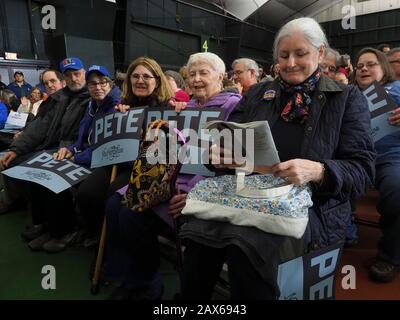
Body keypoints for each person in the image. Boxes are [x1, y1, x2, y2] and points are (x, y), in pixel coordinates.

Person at [176, 17, 375, 300]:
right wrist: (220, 156)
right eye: (284, 56)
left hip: (312, 208)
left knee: (245, 249)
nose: (291, 62)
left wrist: (319, 171)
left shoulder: (347, 99)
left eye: (301, 54)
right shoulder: (257, 94)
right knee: (197, 239)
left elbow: (363, 170)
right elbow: (228, 143)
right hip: (248, 197)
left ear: (320, 53)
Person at [103, 52, 241, 300]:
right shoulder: (183, 107)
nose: (196, 79)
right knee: (117, 203)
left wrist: (195, 193)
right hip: (169, 182)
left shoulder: (234, 107)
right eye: (192, 74)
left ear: (221, 76)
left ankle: (147, 284)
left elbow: (231, 163)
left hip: (204, 189)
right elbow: (166, 150)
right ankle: (138, 279)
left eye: (203, 73)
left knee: (132, 214)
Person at [26, 65, 121, 252]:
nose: (98, 87)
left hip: (100, 161)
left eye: (102, 82)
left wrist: (76, 157)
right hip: (84, 156)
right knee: (39, 171)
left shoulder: (116, 107)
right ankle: (50, 226)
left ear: (110, 84)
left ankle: (66, 230)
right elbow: (82, 137)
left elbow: (105, 148)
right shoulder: (93, 105)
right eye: (93, 84)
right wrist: (71, 149)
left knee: (57, 179)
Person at [354, 47, 400, 283]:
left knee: (397, 189)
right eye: (360, 65)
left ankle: (390, 256)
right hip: (355, 158)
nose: (363, 68)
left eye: (370, 64)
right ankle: (340, 234)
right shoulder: (348, 94)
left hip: (391, 157)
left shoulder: (398, 89)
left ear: (384, 68)